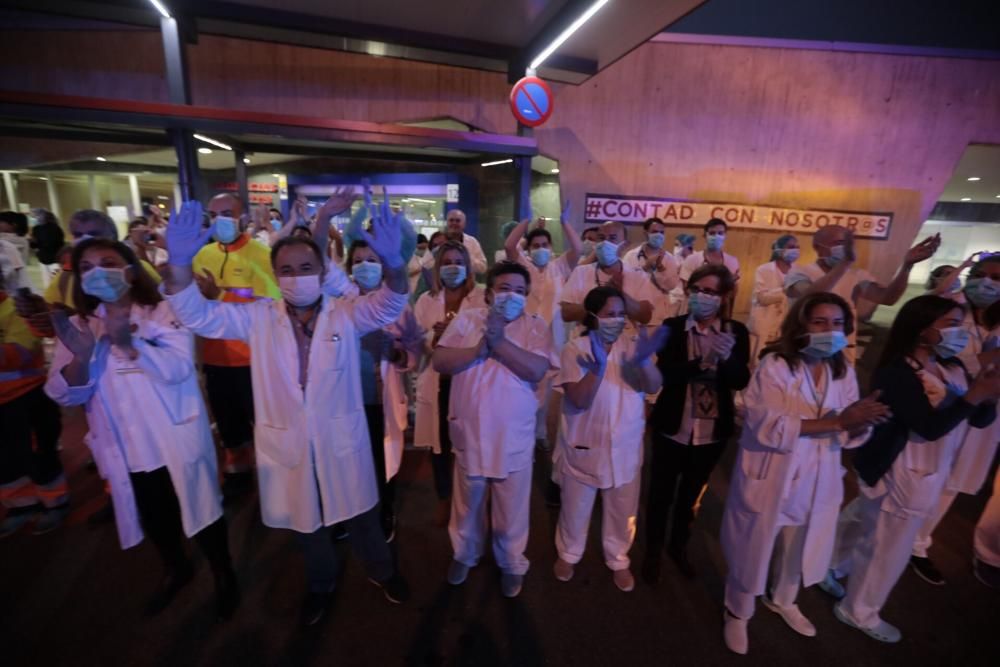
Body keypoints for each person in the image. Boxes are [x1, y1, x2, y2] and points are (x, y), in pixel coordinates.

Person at [163, 198, 411, 627]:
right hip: (288, 441)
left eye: (306, 267)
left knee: (362, 516)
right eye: (287, 270)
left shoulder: (345, 314)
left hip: (340, 438)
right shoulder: (259, 317)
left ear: (322, 271)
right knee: (305, 522)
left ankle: (382, 570)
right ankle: (321, 584)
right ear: (275, 276)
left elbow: (390, 303)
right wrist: (180, 265)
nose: (297, 277)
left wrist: (394, 263)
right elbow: (197, 316)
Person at [44, 238, 238, 619]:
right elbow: (62, 392)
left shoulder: (164, 311)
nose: (98, 273)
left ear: (130, 271)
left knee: (203, 509)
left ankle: (223, 572)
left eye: (108, 262)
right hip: (129, 445)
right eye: (86, 268)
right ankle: (176, 568)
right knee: (155, 516)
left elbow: (178, 368)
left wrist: (129, 343)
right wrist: (82, 357)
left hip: (174, 435)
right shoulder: (82, 326)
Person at [720, 292, 890, 655]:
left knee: (799, 545)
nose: (830, 331)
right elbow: (768, 425)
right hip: (772, 475)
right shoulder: (776, 366)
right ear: (801, 326)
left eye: (838, 323)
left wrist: (862, 423)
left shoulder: (841, 371)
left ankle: (784, 599)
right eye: (819, 322)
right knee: (753, 549)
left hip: (817, 477)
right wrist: (839, 421)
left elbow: (848, 429)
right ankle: (738, 610)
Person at [828, 295, 1000, 643]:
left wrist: (988, 393)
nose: (959, 333)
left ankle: (830, 564)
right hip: (902, 469)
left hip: (932, 467)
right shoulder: (897, 373)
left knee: (866, 519)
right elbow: (929, 426)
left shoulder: (951, 367)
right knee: (889, 546)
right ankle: (859, 610)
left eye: (961, 325)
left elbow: (978, 419)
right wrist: (973, 396)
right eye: (951, 325)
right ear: (922, 329)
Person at [433, 261, 557, 598]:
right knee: (468, 502)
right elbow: (440, 361)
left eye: (519, 291)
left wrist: (498, 343)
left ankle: (512, 562)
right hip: (470, 430)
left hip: (512, 434)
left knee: (511, 506)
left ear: (527, 296)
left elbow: (536, 370)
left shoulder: (535, 327)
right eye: (504, 289)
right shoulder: (468, 319)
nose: (511, 296)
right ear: (489, 293)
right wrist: (477, 349)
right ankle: (464, 554)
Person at [552, 286, 665, 591]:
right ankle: (569, 552)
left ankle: (618, 557)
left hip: (626, 444)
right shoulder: (575, 349)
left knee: (623, 508)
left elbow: (654, 386)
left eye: (620, 314)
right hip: (585, 442)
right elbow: (578, 399)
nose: (616, 320)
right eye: (609, 314)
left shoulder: (632, 346)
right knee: (575, 507)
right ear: (592, 316)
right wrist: (599, 369)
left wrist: (644, 361)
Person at [643, 264, 750, 583]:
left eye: (710, 291)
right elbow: (666, 374)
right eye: (697, 290)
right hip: (672, 426)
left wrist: (727, 358)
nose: (702, 296)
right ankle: (652, 551)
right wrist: (702, 363)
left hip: (711, 433)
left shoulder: (735, 331)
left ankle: (678, 546)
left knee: (690, 496)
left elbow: (740, 380)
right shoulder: (673, 327)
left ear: (724, 296)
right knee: (660, 493)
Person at [908, 255, 1000, 584]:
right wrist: (989, 358)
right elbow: (942, 355)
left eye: (997, 278)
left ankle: (919, 544)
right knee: (927, 473)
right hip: (946, 402)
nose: (987, 282)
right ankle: (897, 536)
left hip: (986, 413)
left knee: (956, 481)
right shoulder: (951, 309)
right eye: (980, 274)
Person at [192, 192, 282, 497]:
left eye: (227, 213)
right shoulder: (203, 255)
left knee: (264, 424)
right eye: (213, 214)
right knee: (228, 424)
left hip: (253, 358)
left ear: (242, 217)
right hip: (214, 357)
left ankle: (276, 483)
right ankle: (238, 474)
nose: (220, 220)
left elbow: (271, 303)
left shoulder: (262, 255)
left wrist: (222, 294)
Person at [345, 239, 423, 542]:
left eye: (372, 260)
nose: (364, 266)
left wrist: (396, 354)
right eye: (358, 261)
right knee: (348, 459)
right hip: (347, 398)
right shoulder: (338, 303)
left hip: (381, 398)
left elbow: (414, 348)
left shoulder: (399, 305)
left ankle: (385, 510)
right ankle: (349, 513)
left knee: (382, 459)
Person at [784, 226, 939, 364]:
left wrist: (907, 266)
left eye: (848, 244)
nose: (845, 248)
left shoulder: (857, 275)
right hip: (805, 346)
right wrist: (845, 264)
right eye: (839, 243)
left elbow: (887, 298)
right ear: (817, 247)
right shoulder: (800, 272)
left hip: (840, 347)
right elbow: (811, 297)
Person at [413, 242, 485, 524]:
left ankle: (469, 502)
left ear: (468, 266)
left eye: (458, 262)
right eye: (446, 262)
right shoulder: (426, 300)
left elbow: (486, 337)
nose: (452, 267)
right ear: (437, 268)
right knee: (440, 444)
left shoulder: (481, 297)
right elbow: (417, 340)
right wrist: (436, 338)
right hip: (438, 381)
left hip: (469, 380)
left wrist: (455, 334)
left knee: (470, 443)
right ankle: (444, 496)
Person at [504, 204, 582, 448]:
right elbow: (509, 246)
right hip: (524, 336)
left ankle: (540, 437)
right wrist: (525, 221)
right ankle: (520, 433)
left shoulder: (559, 266)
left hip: (553, 337)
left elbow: (578, 249)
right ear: (529, 249)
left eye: (544, 245)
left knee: (547, 391)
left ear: (551, 247)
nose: (540, 249)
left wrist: (564, 222)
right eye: (535, 245)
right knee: (522, 386)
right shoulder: (523, 267)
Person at [0, 264, 67, 537]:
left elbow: (21, 354)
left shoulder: (15, 309)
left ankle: (55, 503)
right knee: (5, 460)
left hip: (26, 398)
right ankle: (20, 505)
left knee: (39, 454)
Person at [561, 220, 654, 333]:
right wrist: (598, 301)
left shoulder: (638, 275)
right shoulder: (581, 272)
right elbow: (566, 313)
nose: (605, 243)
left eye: (612, 238)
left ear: (624, 245)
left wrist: (620, 294)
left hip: (625, 339)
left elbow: (645, 317)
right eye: (601, 238)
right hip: (587, 338)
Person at [748, 235, 799, 362]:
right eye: (791, 247)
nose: (795, 250)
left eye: (797, 247)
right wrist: (785, 291)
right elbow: (762, 297)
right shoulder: (764, 270)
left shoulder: (798, 271)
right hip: (764, 323)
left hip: (785, 324)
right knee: (757, 360)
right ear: (779, 249)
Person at [622, 217, 680, 324]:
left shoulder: (669, 258)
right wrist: (645, 267)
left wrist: (660, 267)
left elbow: (671, 286)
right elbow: (625, 281)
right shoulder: (631, 255)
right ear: (646, 233)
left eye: (661, 232)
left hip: (658, 315)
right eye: (654, 232)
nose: (658, 235)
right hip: (635, 314)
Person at [679, 218, 741, 289]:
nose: (716, 236)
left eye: (720, 233)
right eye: (712, 233)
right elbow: (686, 287)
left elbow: (733, 289)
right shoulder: (691, 260)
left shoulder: (733, 262)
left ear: (725, 236)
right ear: (705, 236)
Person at [444, 209, 487, 275]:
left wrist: (467, 258)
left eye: (458, 221)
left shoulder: (472, 242)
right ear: (447, 223)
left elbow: (483, 268)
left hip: (467, 280)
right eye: (451, 220)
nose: (454, 223)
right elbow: (428, 264)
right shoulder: (439, 240)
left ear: (464, 224)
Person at [668, 233, 695, 317]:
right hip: (674, 295)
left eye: (678, 245)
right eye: (675, 245)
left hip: (688, 296)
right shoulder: (673, 258)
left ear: (687, 245)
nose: (676, 248)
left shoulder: (695, 258)